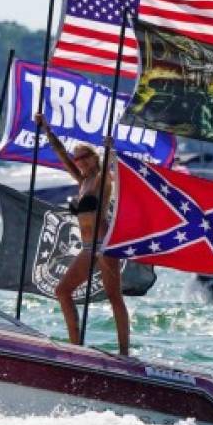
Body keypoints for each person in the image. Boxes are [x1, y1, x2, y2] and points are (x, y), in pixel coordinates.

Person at [35, 112, 129, 356]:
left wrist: (109, 148)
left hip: (104, 245)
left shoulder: (102, 179)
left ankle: (124, 353)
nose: (80, 162)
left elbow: (108, 163)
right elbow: (63, 157)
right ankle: (76, 348)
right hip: (87, 248)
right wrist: (47, 130)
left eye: (85, 157)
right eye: (78, 159)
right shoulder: (82, 181)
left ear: (94, 157)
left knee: (114, 297)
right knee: (62, 291)